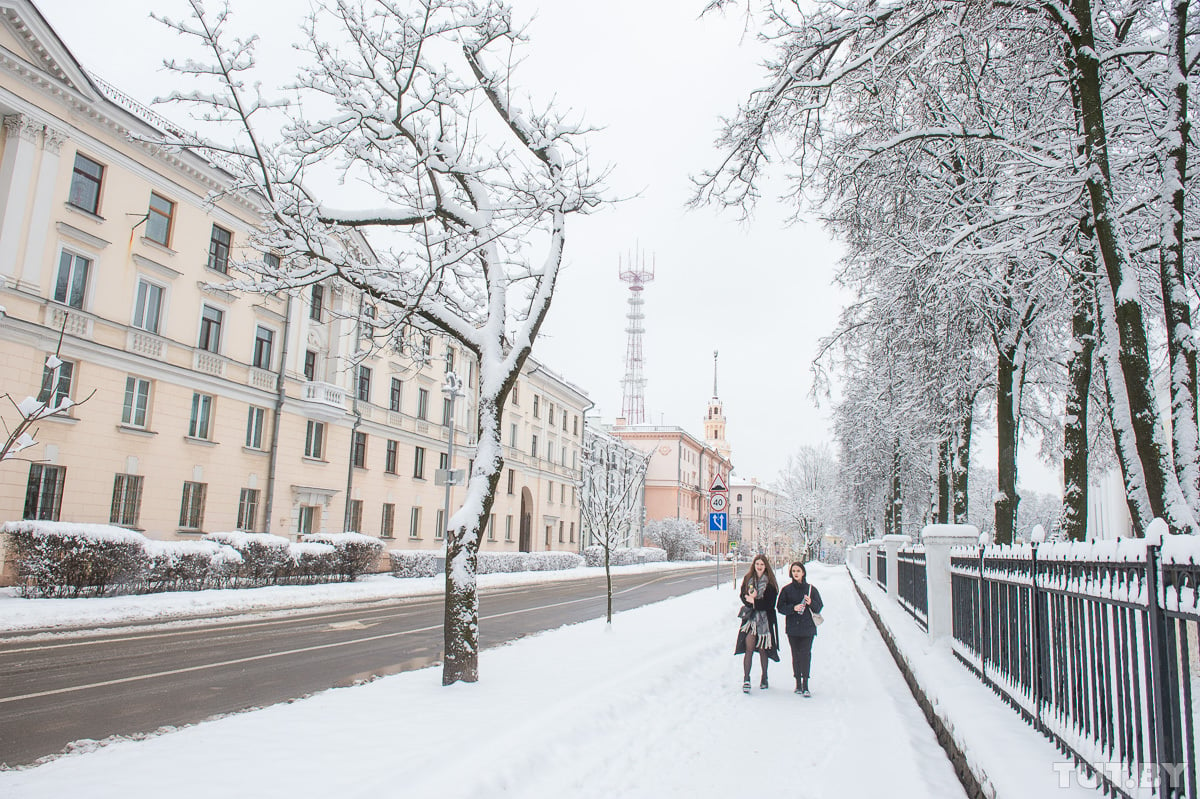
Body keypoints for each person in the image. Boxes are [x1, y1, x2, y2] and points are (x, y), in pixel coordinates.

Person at [776, 561, 824, 697]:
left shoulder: (811, 589)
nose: (796, 573)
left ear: (803, 572)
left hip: (808, 627)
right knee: (795, 654)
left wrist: (811, 603)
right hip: (793, 628)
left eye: (798, 571)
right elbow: (780, 607)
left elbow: (819, 606)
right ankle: (797, 682)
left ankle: (806, 684)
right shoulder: (786, 590)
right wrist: (793, 608)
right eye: (793, 571)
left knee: (806, 654)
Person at [734, 554, 780, 693]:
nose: (759, 567)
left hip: (765, 620)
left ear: (765, 566)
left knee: (762, 649)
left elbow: (771, 603)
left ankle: (764, 677)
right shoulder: (749, 579)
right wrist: (749, 600)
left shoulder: (770, 583)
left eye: (762, 564)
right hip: (751, 620)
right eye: (757, 564)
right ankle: (746, 679)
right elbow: (743, 595)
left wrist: (756, 602)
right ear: (754, 565)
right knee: (749, 647)